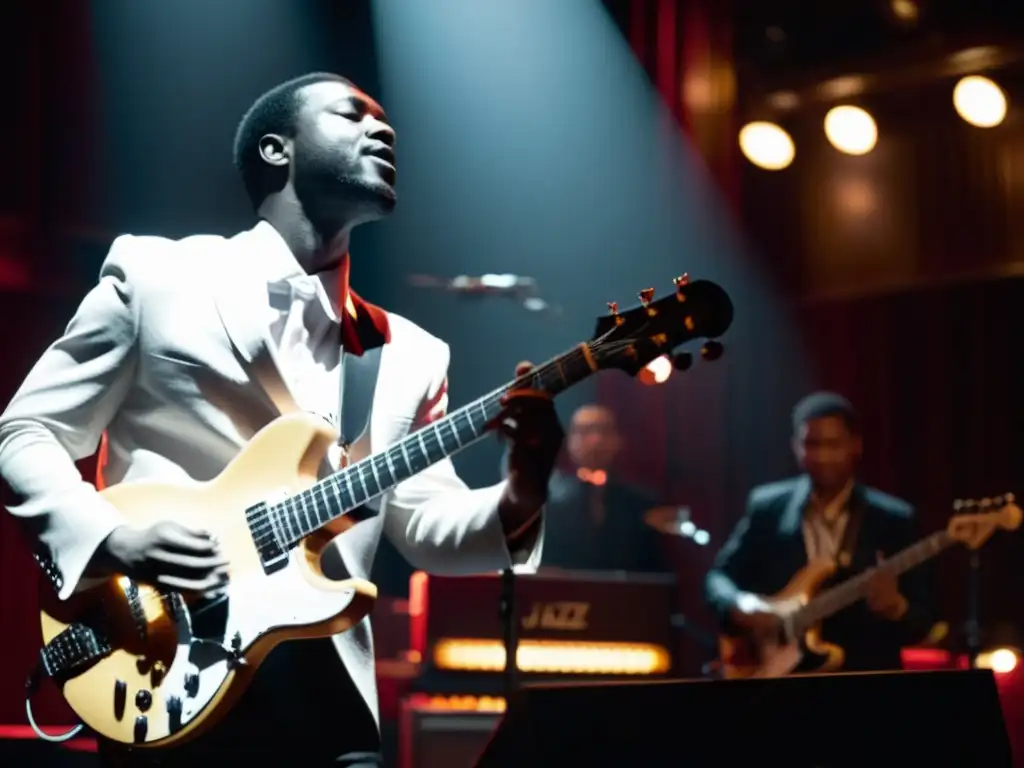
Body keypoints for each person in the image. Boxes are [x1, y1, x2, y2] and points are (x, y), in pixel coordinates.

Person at [0, 72, 564, 767]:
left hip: (329, 709)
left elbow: (424, 528)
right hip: (165, 661)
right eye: (351, 114)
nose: (382, 130)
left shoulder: (411, 353)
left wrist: (524, 488)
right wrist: (113, 539)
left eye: (385, 120)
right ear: (277, 150)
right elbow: (27, 433)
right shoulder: (156, 278)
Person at [704, 392, 934, 673]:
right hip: (781, 682)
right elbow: (719, 577)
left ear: (855, 446)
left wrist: (896, 607)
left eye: (833, 444)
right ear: (795, 446)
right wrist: (743, 606)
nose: (822, 455)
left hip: (865, 682)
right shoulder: (768, 508)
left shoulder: (893, 519)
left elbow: (925, 621)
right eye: (811, 444)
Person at [504, 404, 667, 573]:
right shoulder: (547, 505)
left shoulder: (643, 505)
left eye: (603, 431)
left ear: (619, 440)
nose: (595, 440)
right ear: (569, 441)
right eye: (584, 432)